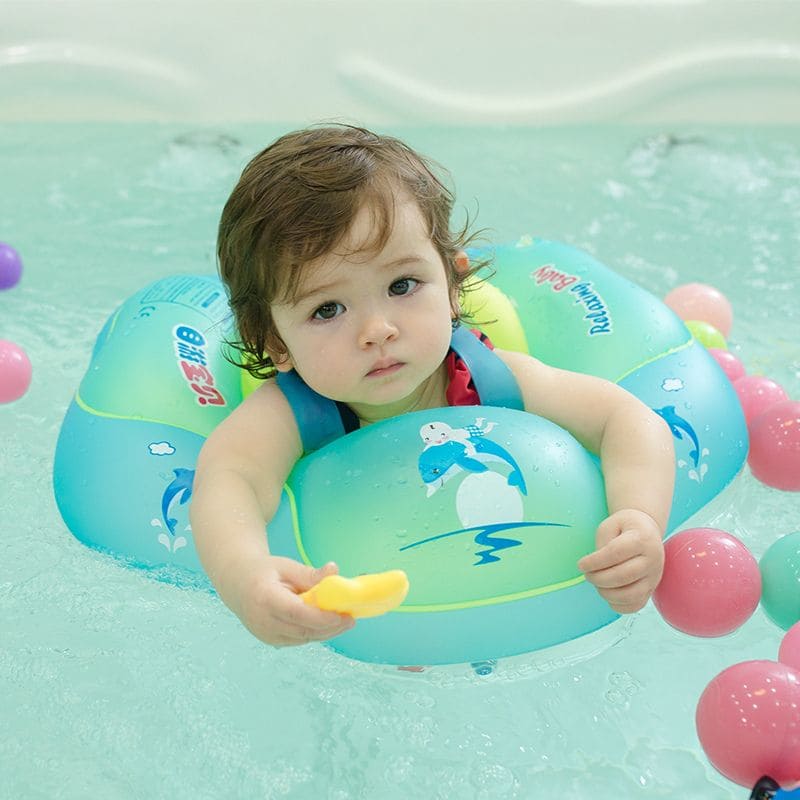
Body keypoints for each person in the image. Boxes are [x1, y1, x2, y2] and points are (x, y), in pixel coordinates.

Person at [190, 124, 675, 648]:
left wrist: (638, 517)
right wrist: (246, 578)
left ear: (453, 287)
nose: (377, 330)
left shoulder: (488, 379)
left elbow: (627, 418)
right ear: (275, 343)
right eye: (327, 309)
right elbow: (228, 481)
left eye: (402, 285)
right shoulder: (292, 413)